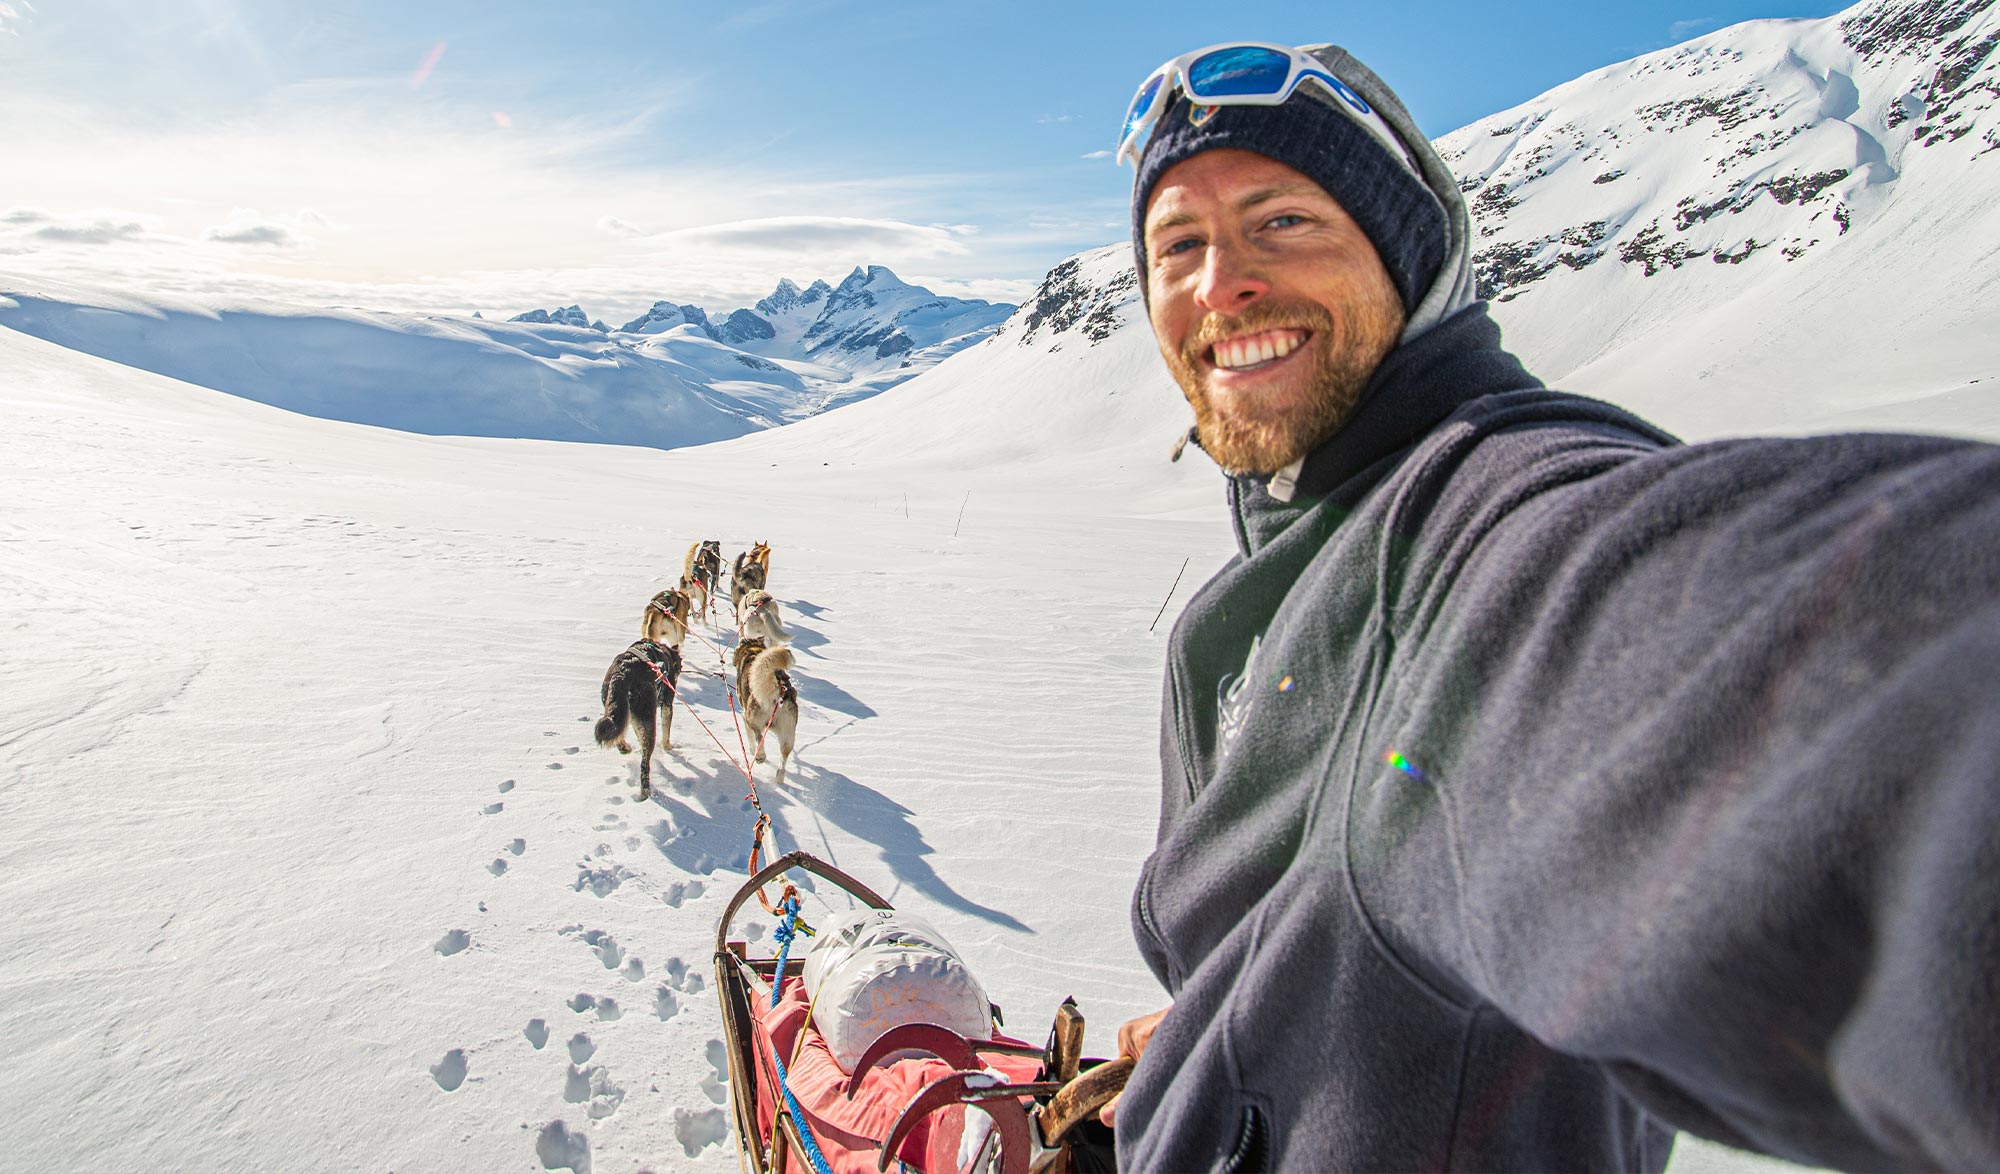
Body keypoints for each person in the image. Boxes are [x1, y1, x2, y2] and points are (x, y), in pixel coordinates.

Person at [1097, 40, 2000, 1173]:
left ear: (1407, 259)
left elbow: (1725, 643)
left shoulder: (1483, 532)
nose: (1219, 281)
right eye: (1176, 244)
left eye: (1283, 221)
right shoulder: (1226, 627)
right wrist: (1203, 1050)